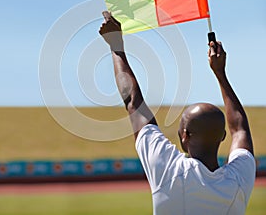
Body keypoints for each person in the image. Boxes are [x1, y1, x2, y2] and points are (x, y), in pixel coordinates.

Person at [99, 11, 256, 215]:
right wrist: (220, 74)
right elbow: (240, 129)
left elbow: (132, 100)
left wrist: (116, 47)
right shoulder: (238, 180)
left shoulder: (168, 170)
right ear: (222, 137)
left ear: (185, 136)